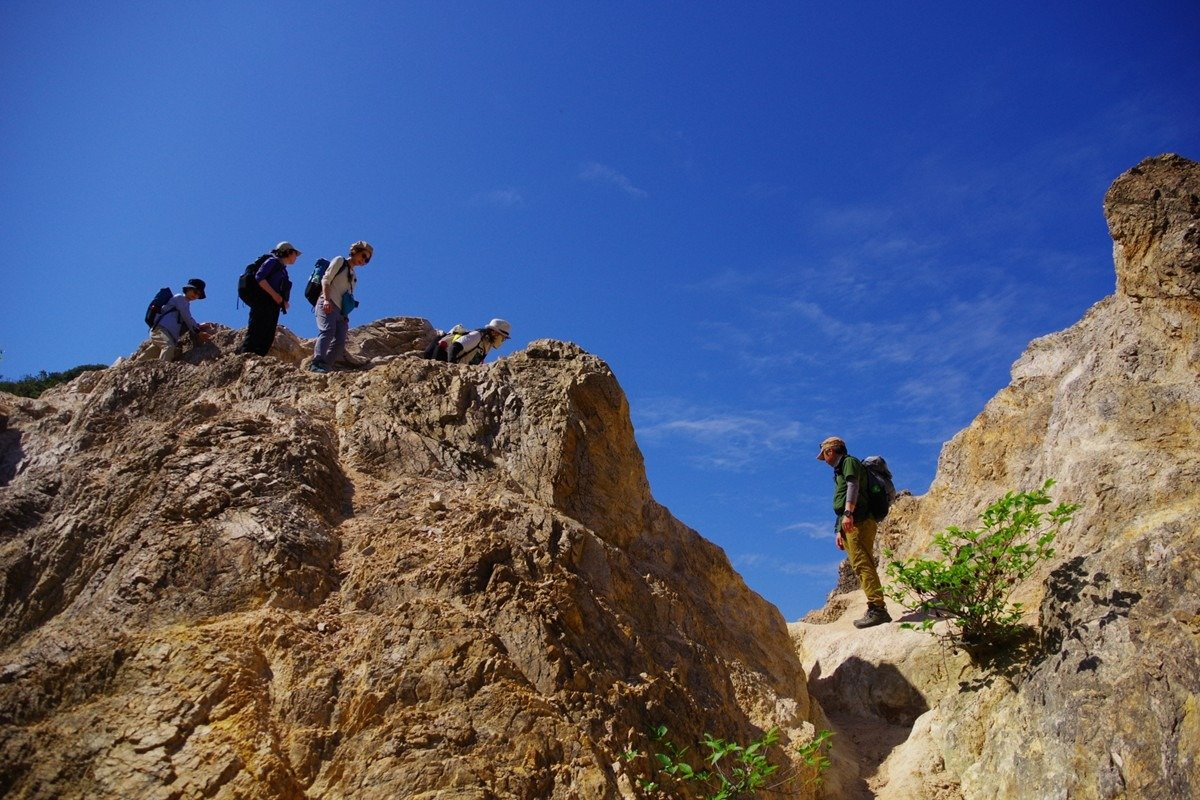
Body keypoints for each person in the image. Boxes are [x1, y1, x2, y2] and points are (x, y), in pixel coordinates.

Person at [816, 436, 892, 629]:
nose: (824, 460)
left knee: (862, 562)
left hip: (860, 519)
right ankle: (874, 606)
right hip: (850, 522)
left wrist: (849, 513)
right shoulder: (840, 469)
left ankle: (878, 609)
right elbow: (841, 501)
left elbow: (853, 486)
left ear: (830, 451)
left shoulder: (849, 462)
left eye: (823, 455)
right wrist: (839, 530)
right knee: (858, 563)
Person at [310, 241, 373, 373]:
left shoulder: (354, 277)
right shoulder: (339, 261)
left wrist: (345, 315)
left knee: (340, 341)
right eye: (363, 256)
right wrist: (326, 300)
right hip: (327, 302)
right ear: (355, 251)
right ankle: (316, 363)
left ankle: (325, 366)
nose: (364, 260)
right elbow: (326, 280)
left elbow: (347, 297)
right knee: (328, 331)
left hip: (341, 312)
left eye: (367, 260)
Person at [238, 241, 299, 357]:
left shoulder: (283, 270)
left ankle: (259, 357)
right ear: (288, 252)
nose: (296, 257)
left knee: (268, 332)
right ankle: (246, 357)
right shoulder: (272, 262)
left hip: (273, 304)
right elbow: (260, 277)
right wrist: (275, 295)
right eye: (295, 253)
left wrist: (283, 301)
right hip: (262, 299)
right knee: (257, 327)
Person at [141, 279, 213, 361]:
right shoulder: (180, 298)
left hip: (168, 335)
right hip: (161, 329)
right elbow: (187, 317)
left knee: (149, 356)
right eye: (195, 291)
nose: (196, 295)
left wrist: (197, 326)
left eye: (198, 294)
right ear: (188, 289)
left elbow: (186, 320)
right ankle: (163, 371)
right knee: (168, 347)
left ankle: (132, 368)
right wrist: (198, 331)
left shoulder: (185, 304)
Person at [426, 319, 512, 364]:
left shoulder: (486, 345)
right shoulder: (476, 336)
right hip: (440, 356)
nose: (503, 341)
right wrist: (451, 366)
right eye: (503, 338)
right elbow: (454, 347)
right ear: (495, 333)